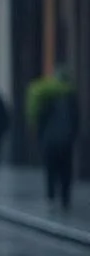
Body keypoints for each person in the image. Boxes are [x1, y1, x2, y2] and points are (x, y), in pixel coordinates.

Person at [34, 65, 80, 211]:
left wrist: (41, 138)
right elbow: (76, 119)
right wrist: (73, 136)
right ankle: (65, 199)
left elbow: (40, 119)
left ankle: (51, 197)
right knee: (65, 170)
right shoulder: (71, 97)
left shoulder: (47, 98)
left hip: (50, 141)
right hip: (65, 141)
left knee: (51, 170)